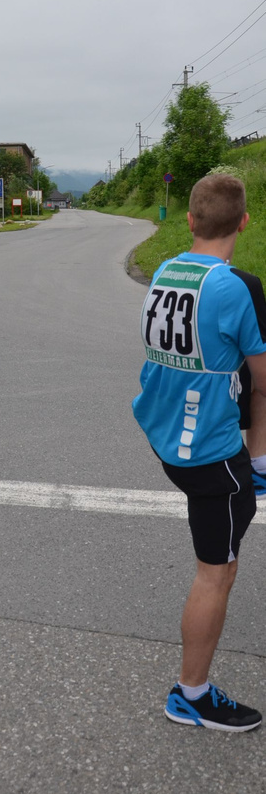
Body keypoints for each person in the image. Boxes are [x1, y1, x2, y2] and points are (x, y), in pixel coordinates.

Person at [133, 173, 266, 731]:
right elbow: (264, 381)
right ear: (244, 222)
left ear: (189, 221)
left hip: (167, 435)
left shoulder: (166, 271)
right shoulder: (237, 287)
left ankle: (255, 468)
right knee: (217, 572)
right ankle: (191, 694)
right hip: (211, 454)